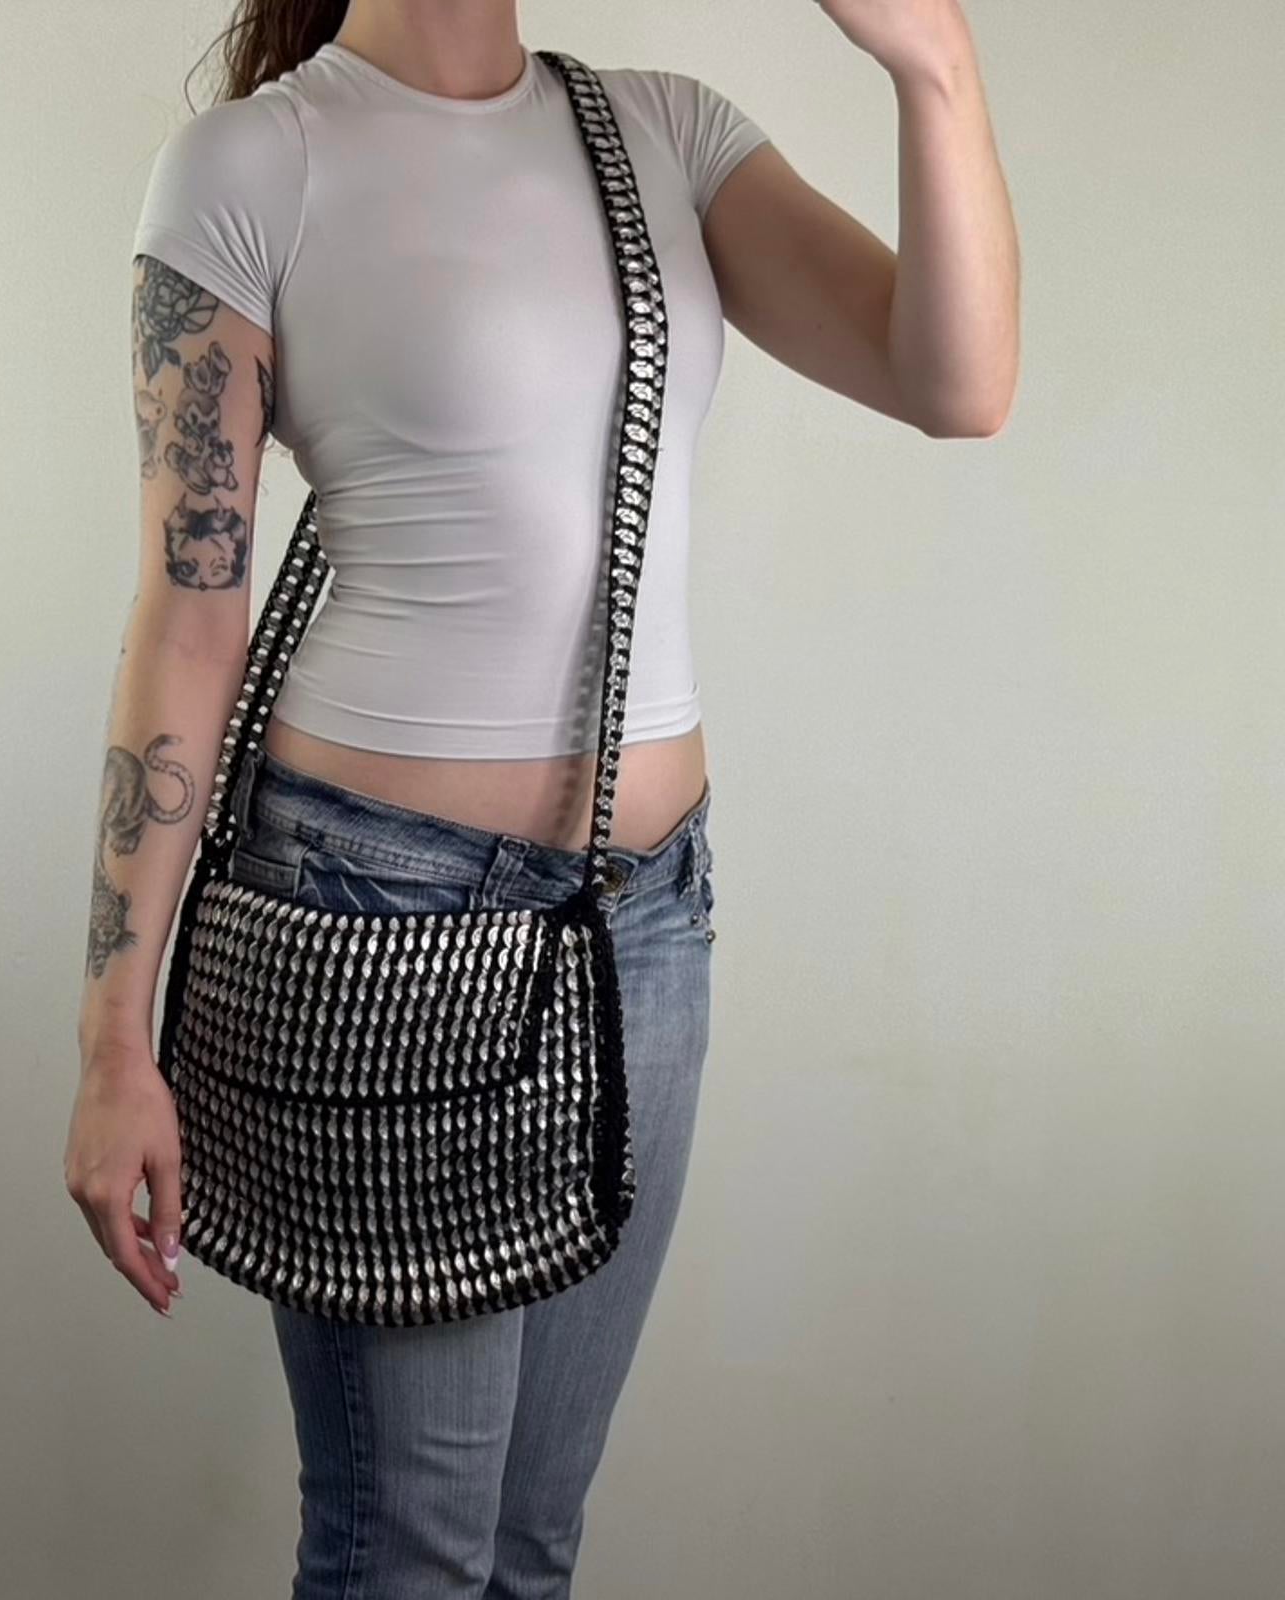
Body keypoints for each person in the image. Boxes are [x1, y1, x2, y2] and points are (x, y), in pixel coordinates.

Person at [65, 1, 1017, 1593]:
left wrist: (936, 61)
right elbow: (190, 611)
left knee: (529, 1547)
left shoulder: (665, 133)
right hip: (380, 930)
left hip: (644, 922)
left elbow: (958, 380)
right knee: (413, 1555)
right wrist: (112, 1038)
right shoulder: (251, 166)